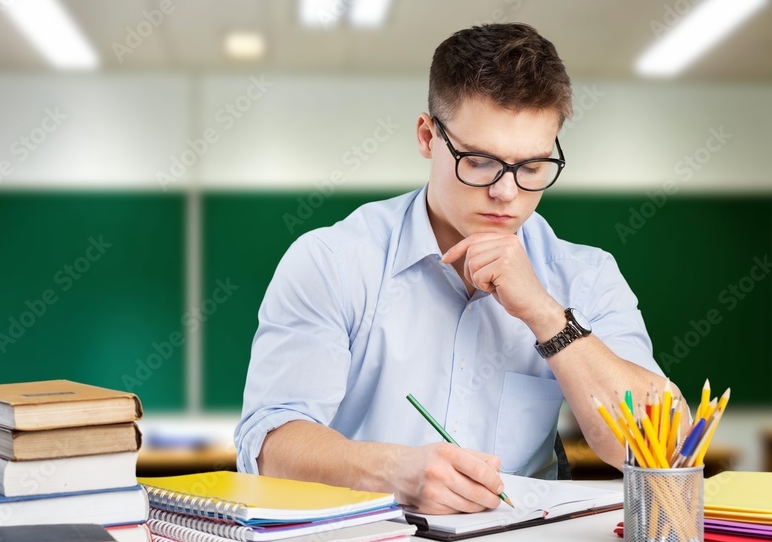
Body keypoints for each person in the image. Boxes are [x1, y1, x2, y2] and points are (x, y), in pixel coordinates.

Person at [234, 23, 684, 515]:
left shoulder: (586, 276)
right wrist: (390, 473)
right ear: (428, 136)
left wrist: (547, 316)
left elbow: (658, 448)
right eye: (480, 161)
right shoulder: (333, 262)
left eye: (532, 167)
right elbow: (268, 443)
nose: (506, 193)